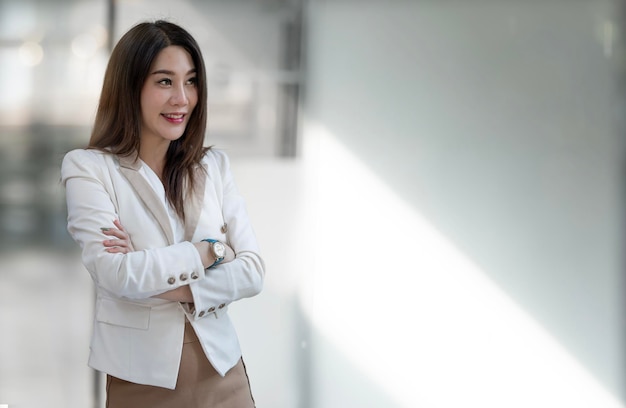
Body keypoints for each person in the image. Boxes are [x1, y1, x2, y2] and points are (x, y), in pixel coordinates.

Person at [61, 20, 264, 407]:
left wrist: (154, 274)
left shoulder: (213, 166)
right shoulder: (88, 168)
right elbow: (114, 273)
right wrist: (211, 253)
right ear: (130, 86)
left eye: (190, 81)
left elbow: (253, 271)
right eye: (164, 81)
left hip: (224, 373)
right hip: (141, 380)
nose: (182, 99)